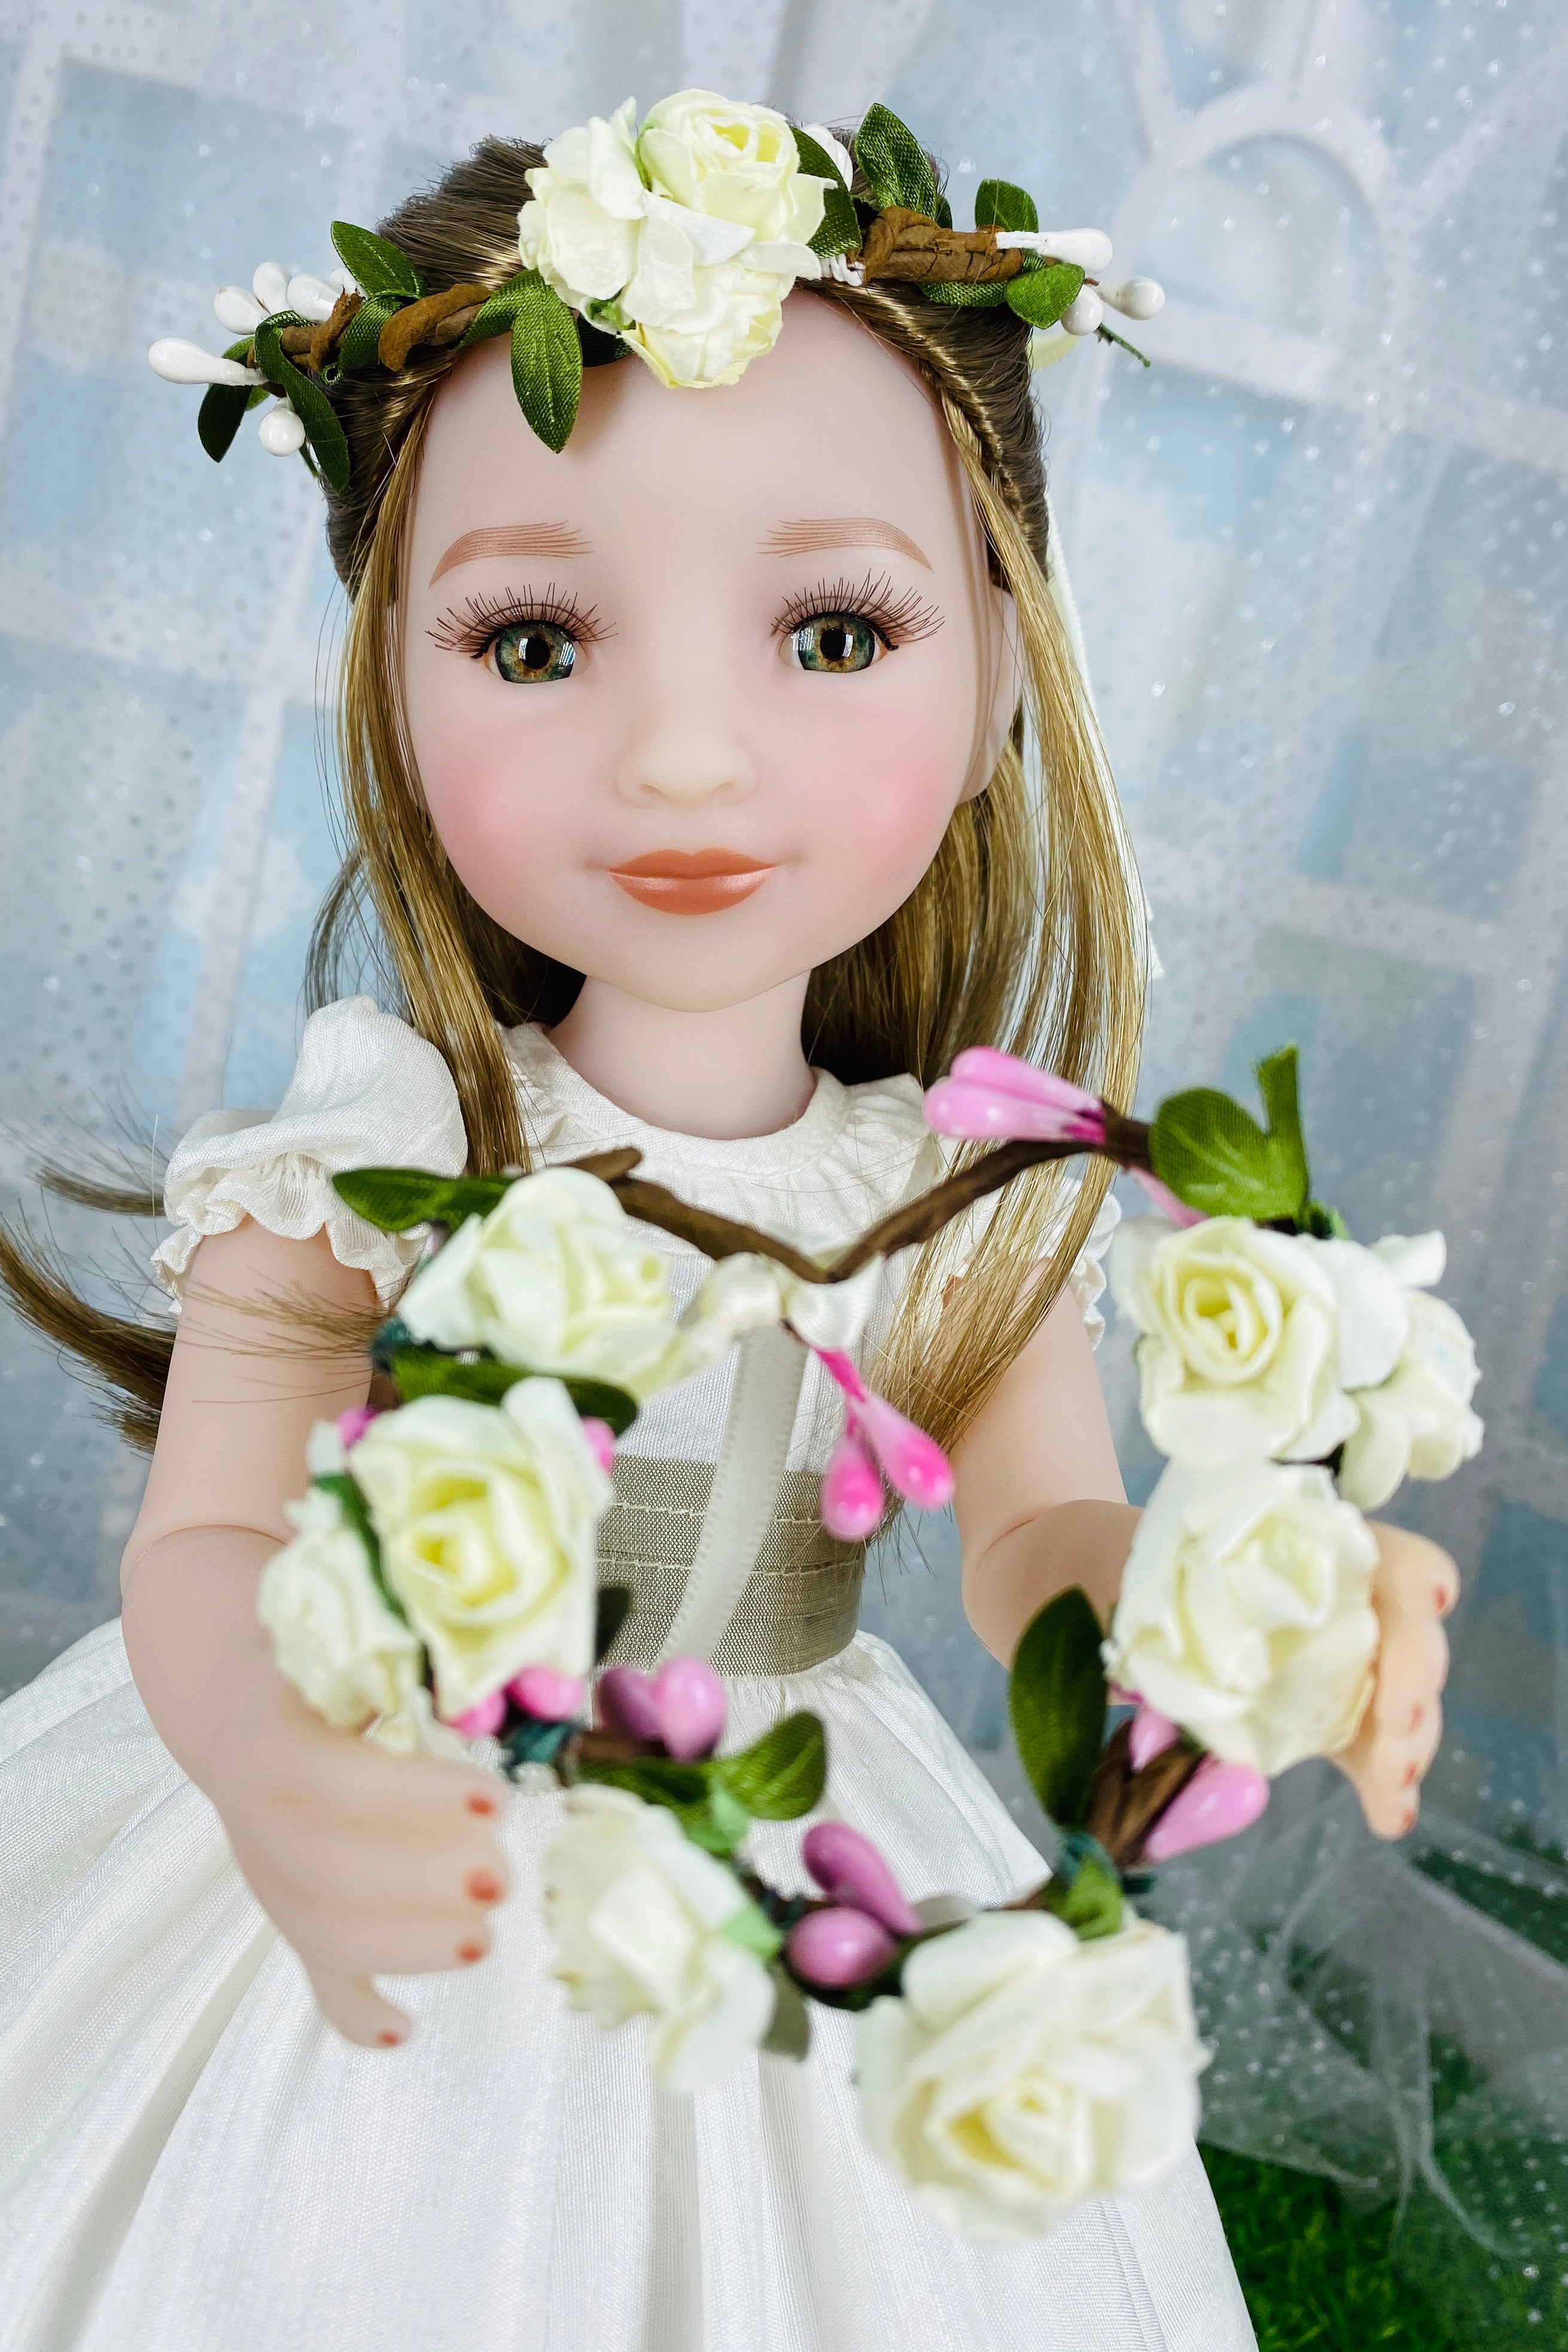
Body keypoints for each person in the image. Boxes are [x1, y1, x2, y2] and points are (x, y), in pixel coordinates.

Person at [0, 100, 1453, 2350]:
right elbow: (204, 1545)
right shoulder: (379, 1140)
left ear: (995, 676)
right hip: (398, 1812)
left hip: (792, 1849)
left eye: (836, 630)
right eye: (539, 643)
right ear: (396, 676)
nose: (687, 754)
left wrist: (1223, 1621)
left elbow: (1035, 1534)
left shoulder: (956, 1189)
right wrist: (271, 1754)